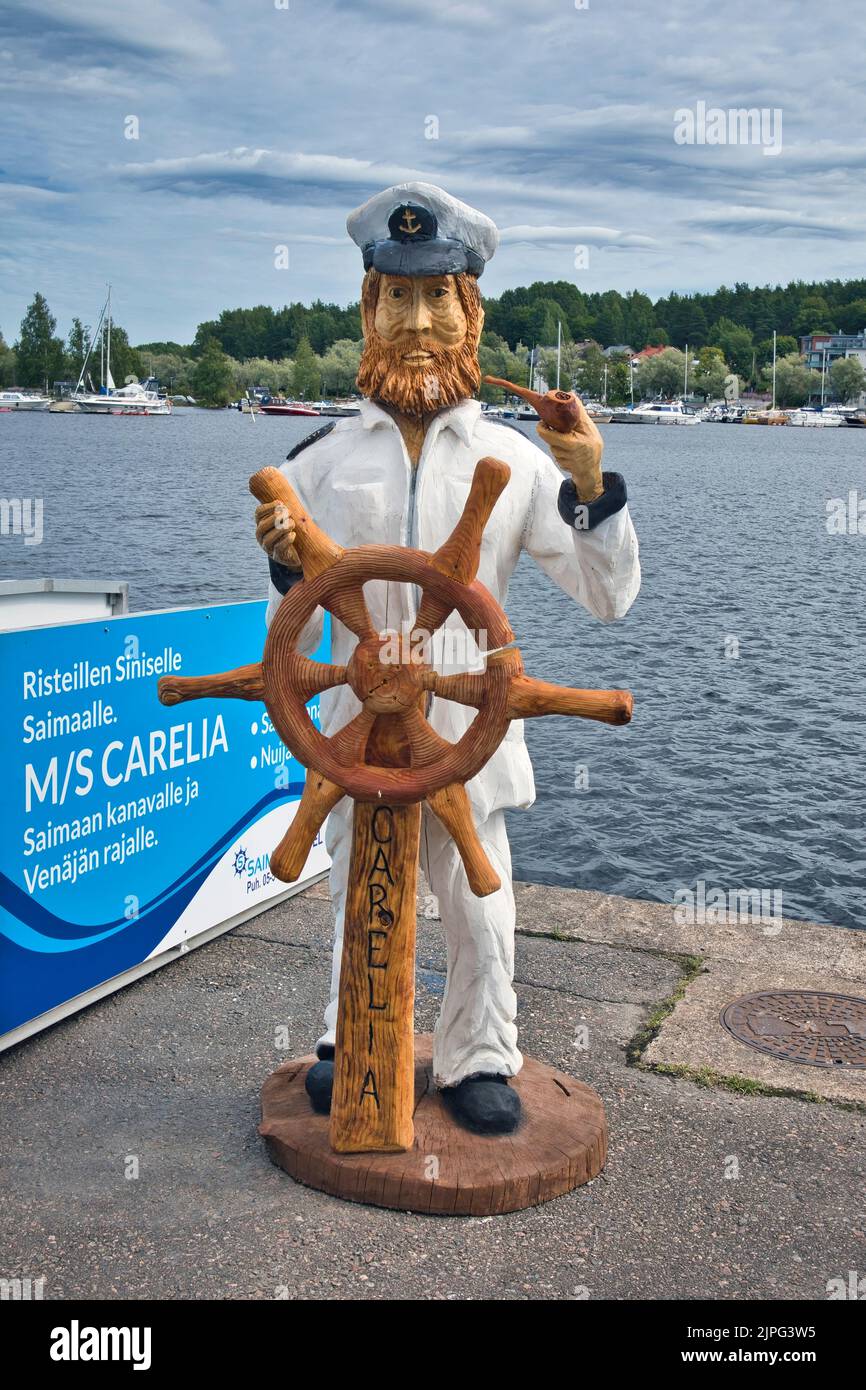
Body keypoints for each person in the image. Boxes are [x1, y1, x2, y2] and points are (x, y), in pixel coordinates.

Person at [255, 182, 640, 1134]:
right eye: (397, 298)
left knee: (480, 909)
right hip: (351, 734)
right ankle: (352, 1039)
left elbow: (608, 595)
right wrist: (279, 553)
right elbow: (298, 626)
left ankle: (477, 1058)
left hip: (469, 733)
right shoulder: (318, 462)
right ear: (369, 310)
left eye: (438, 300)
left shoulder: (518, 463)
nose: (417, 323)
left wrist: (590, 482)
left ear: (470, 313)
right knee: (354, 887)